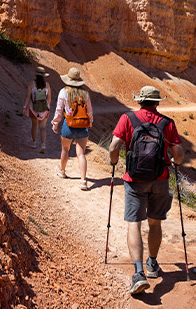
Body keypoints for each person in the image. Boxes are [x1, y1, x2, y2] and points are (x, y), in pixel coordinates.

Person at [108, 86, 184, 295]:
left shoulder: (128, 118)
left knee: (134, 223)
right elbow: (178, 151)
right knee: (155, 223)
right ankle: (152, 264)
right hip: (160, 179)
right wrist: (177, 163)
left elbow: (114, 146)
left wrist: (114, 161)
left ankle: (138, 273)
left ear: (140, 101)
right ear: (157, 103)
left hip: (134, 179)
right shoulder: (167, 123)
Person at [51, 67, 94, 191]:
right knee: (81, 154)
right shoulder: (85, 93)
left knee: (65, 149)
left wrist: (55, 123)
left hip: (68, 125)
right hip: (82, 126)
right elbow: (89, 111)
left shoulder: (63, 92)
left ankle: (62, 171)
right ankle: (83, 181)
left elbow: (59, 110)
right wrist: (90, 123)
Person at [22, 67, 52, 153]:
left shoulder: (32, 84)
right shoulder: (47, 85)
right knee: (43, 127)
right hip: (44, 109)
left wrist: (24, 107)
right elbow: (49, 98)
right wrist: (47, 108)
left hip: (33, 109)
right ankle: (43, 144)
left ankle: (34, 143)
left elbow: (28, 96)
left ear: (36, 75)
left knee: (34, 125)